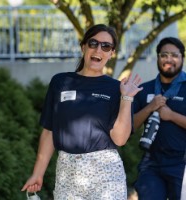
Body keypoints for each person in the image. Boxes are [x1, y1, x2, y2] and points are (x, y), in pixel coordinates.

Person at [21, 24, 142, 200]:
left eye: (106, 46)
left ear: (111, 53)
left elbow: (120, 139)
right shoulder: (60, 82)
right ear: (83, 46)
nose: (98, 49)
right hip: (67, 173)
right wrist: (37, 173)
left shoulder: (117, 88)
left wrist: (127, 98)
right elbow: (49, 131)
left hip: (106, 174)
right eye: (93, 43)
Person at [133, 37, 186, 200]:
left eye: (174, 55)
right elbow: (130, 127)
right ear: (157, 58)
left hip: (182, 163)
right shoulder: (144, 89)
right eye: (164, 55)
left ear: (182, 58)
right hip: (152, 163)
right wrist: (150, 107)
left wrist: (171, 116)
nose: (169, 59)